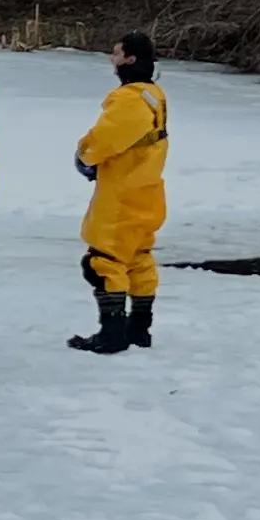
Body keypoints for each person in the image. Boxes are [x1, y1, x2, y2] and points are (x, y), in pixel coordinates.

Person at [69, 31, 168, 354]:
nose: (112, 58)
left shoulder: (129, 99)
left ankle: (112, 333)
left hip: (121, 196)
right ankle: (139, 329)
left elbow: (105, 138)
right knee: (138, 259)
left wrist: (84, 156)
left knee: (103, 261)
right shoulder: (154, 95)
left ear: (130, 59)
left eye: (116, 52)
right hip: (148, 190)